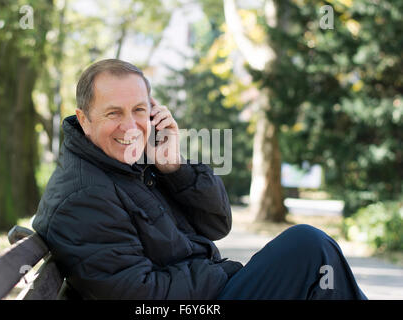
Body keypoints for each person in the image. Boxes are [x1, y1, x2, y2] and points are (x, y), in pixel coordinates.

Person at [32, 58, 367, 300]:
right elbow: (140, 295)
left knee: (313, 260)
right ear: (84, 118)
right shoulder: (82, 196)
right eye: (113, 113)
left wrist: (176, 168)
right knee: (307, 248)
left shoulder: (131, 165)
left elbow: (218, 223)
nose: (131, 126)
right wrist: (222, 272)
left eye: (138, 110)